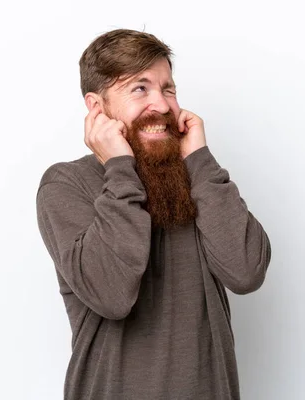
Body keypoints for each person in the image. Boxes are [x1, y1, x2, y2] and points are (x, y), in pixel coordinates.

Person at [36, 28, 272, 400]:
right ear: (98, 109)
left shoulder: (199, 177)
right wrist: (119, 168)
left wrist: (200, 160)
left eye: (168, 89)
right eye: (140, 89)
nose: (161, 105)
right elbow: (112, 295)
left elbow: (246, 272)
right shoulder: (67, 184)